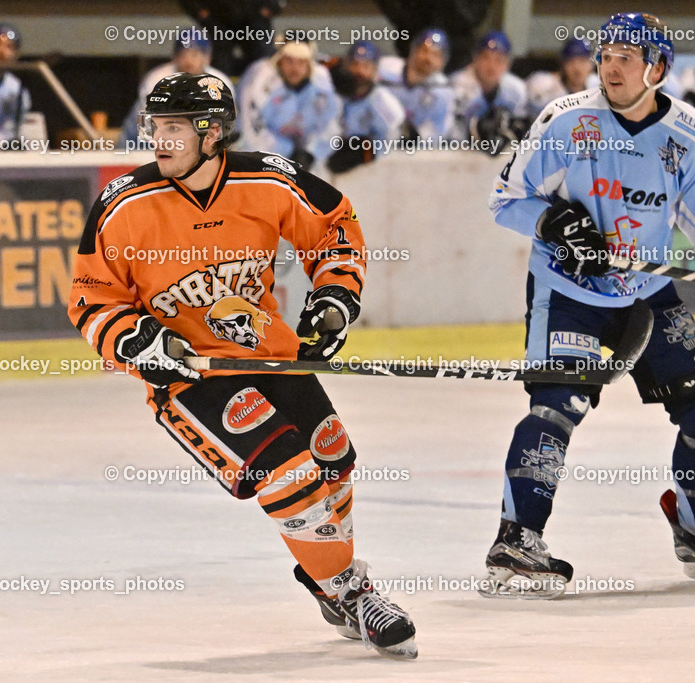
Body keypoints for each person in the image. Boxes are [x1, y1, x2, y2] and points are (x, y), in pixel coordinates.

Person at [67, 73, 416, 658]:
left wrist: (334, 299)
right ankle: (352, 591)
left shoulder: (267, 178)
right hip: (190, 379)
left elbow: (335, 229)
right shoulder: (123, 204)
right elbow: (91, 299)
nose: (160, 138)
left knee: (332, 455)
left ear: (212, 132)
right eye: (157, 125)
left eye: (176, 127)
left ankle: (329, 578)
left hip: (269, 356)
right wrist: (137, 340)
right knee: (288, 472)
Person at [484, 12, 695, 598]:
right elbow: (505, 199)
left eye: (626, 57)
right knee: (556, 407)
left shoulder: (689, 134)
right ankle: (517, 541)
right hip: (569, 292)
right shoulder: (565, 122)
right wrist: (553, 220)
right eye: (606, 55)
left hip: (645, 291)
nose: (610, 67)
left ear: (657, 68)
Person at [236, 42, 339, 171]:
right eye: (289, 61)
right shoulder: (261, 78)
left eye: (301, 62)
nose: (295, 69)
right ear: (280, 61)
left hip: (302, 162)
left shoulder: (320, 83)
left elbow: (330, 126)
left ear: (310, 65)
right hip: (258, 160)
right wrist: (286, 152)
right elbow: (251, 130)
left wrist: (310, 153)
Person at [118, 32, 233, 147]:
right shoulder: (157, 80)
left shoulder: (220, 83)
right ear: (174, 57)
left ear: (207, 58)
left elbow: (227, 128)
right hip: (143, 146)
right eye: (183, 55)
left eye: (194, 55)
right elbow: (149, 129)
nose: (188, 61)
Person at [325, 41, 406, 173]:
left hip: (371, 174)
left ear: (375, 70)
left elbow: (394, 136)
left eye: (366, 66)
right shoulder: (333, 91)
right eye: (355, 64)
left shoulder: (384, 102)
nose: (359, 71)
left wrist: (365, 152)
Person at [450, 31, 529, 151]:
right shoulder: (456, 86)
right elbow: (450, 134)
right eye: (486, 57)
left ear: (508, 64)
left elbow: (520, 132)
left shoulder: (516, 89)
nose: (491, 65)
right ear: (475, 58)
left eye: (499, 60)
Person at [378, 28, 455, 140]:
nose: (428, 58)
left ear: (443, 62)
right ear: (413, 51)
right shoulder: (384, 69)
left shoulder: (444, 90)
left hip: (416, 152)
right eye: (425, 51)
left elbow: (439, 130)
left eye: (436, 55)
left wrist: (414, 138)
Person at [527, 38, 600, 117]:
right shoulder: (544, 85)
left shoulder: (599, 86)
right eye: (571, 62)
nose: (577, 68)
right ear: (563, 65)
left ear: (592, 64)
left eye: (583, 61)